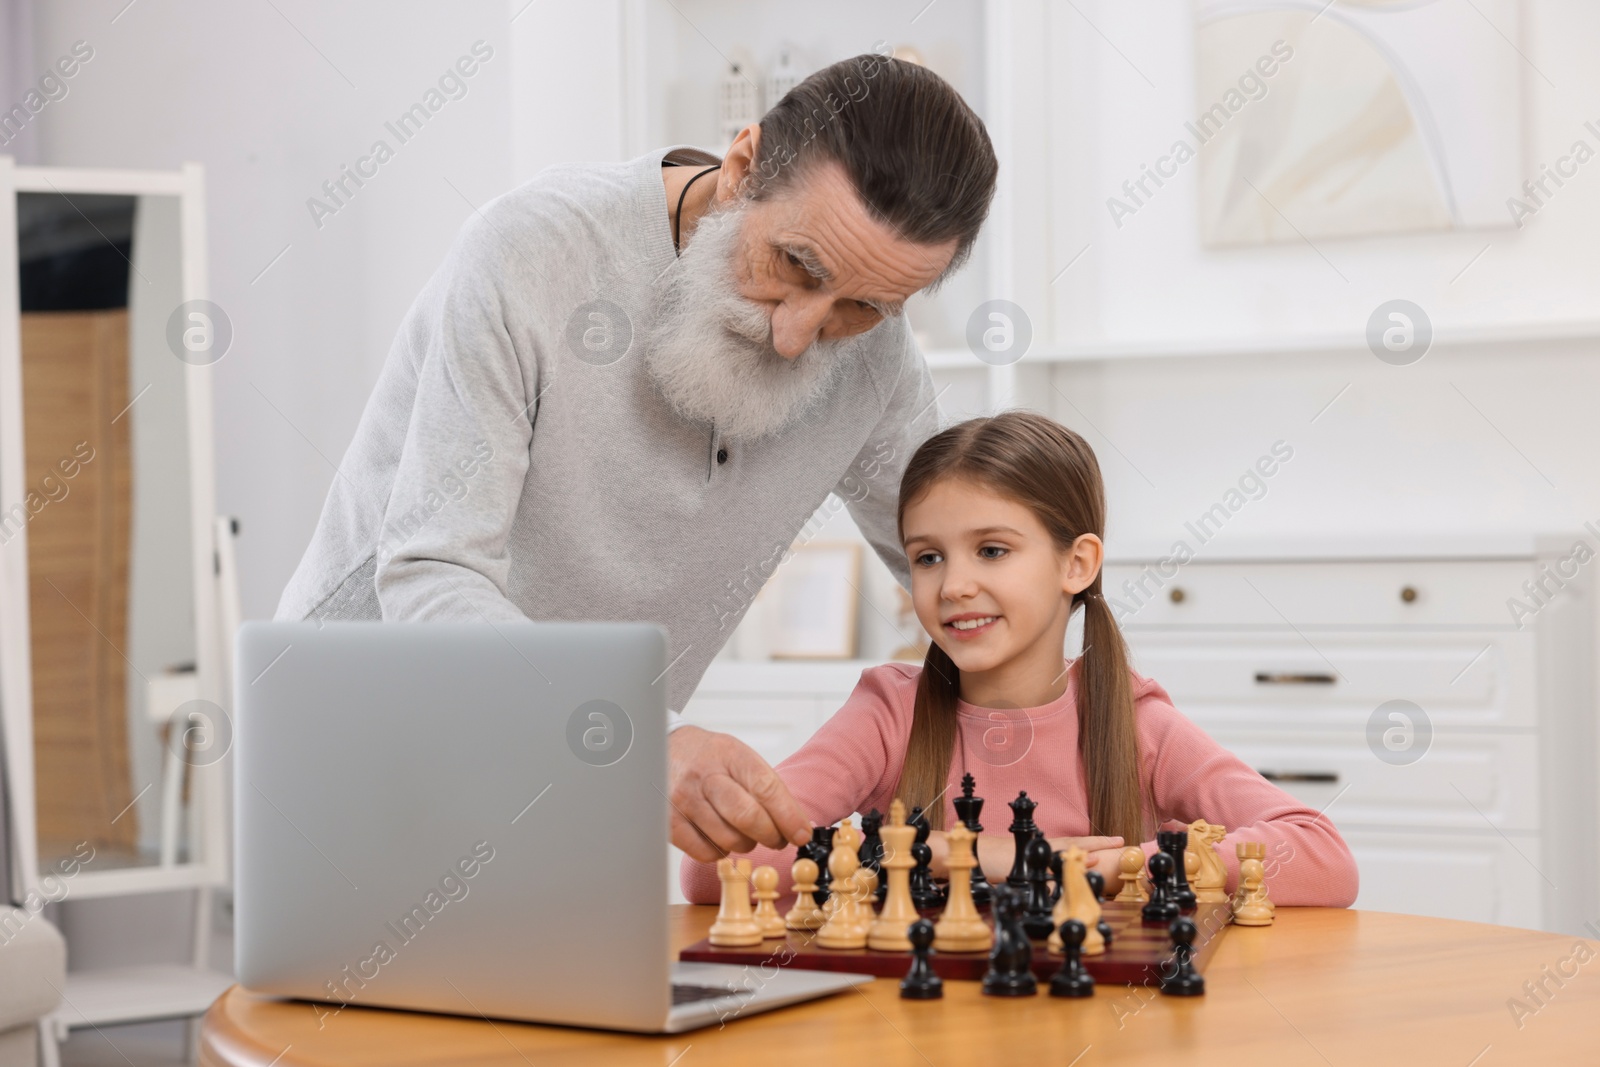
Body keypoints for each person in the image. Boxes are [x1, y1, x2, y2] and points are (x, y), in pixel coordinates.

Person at [271, 53, 999, 864]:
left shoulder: (879, 360)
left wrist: (1104, 717)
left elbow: (968, 569)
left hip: (580, 767)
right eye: (795, 266)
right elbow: (429, 572)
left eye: (864, 307)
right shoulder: (530, 252)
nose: (798, 335)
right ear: (742, 167)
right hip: (365, 740)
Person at [682, 411, 1359, 906]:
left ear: (1077, 562)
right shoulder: (889, 712)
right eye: (928, 556)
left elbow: (1324, 856)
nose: (954, 585)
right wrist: (967, 853)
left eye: (993, 550)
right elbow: (716, 871)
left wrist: (1124, 866)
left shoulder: (1131, 719)